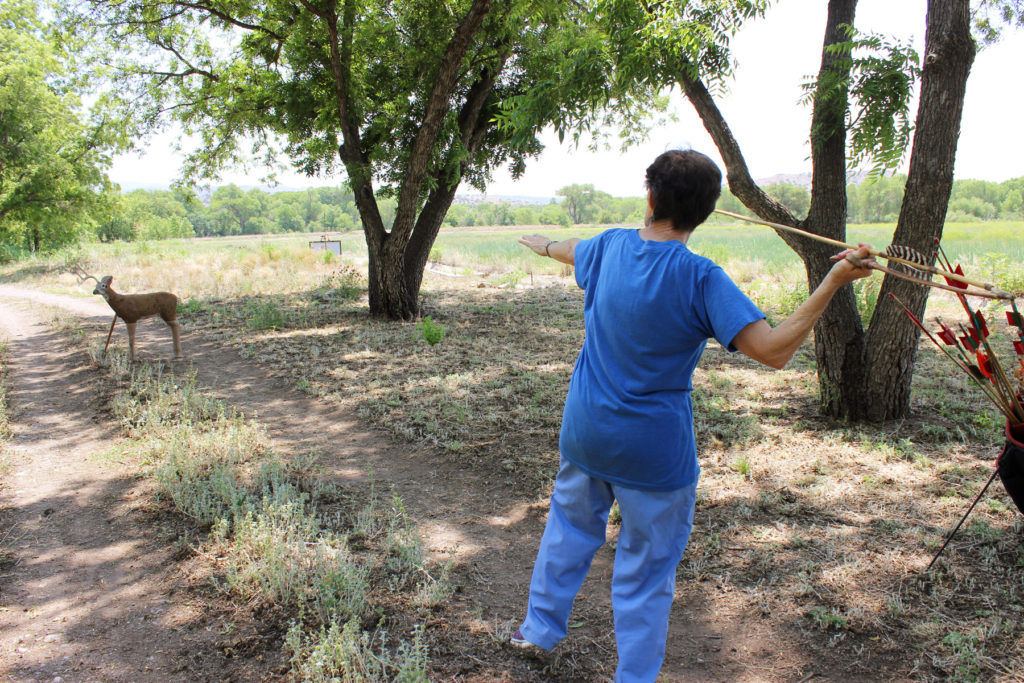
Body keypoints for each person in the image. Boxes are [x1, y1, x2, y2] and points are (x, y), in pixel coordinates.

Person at [512, 149, 874, 682]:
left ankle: (538, 629)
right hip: (654, 456)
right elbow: (773, 350)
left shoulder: (610, 248)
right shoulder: (701, 278)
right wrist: (833, 283)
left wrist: (543, 246)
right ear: (703, 214)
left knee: (567, 530)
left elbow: (571, 249)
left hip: (587, 434)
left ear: (651, 198)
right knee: (646, 570)